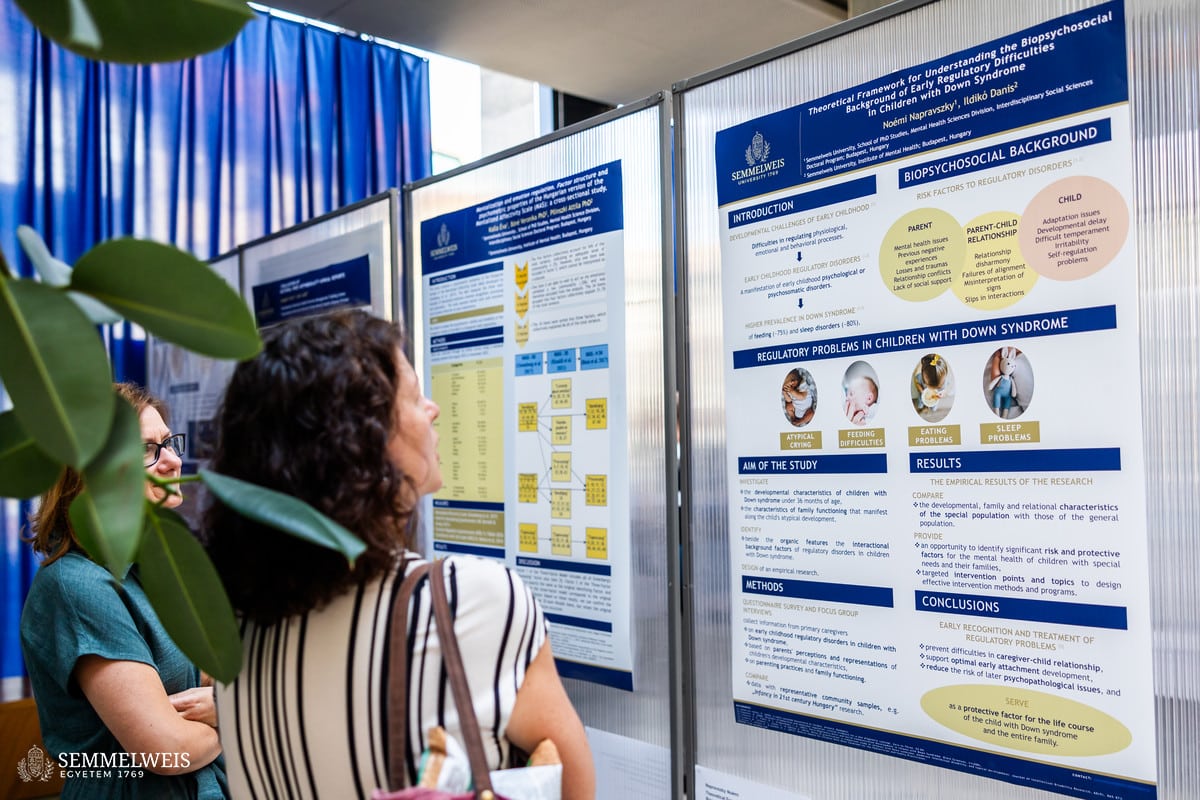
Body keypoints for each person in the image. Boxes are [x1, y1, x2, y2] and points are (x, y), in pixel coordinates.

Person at [205, 310, 595, 799]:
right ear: (361, 439)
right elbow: (574, 787)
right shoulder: (465, 602)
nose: (433, 409)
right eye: (413, 396)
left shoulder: (232, 627)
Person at [20, 382, 228, 799]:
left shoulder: (153, 568)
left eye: (169, 443)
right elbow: (166, 750)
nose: (173, 461)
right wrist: (234, 719)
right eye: (148, 450)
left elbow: (213, 673)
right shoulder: (77, 585)